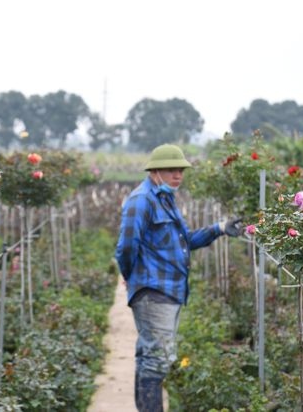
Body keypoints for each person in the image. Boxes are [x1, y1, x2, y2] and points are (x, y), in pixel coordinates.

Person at [114, 143, 242, 412]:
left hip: (171, 290)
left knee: (150, 356)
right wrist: (132, 275)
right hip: (153, 291)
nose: (178, 176)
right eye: (172, 170)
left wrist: (219, 228)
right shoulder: (142, 201)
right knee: (158, 359)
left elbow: (187, 240)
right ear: (155, 171)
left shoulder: (166, 199)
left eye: (181, 170)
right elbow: (126, 247)